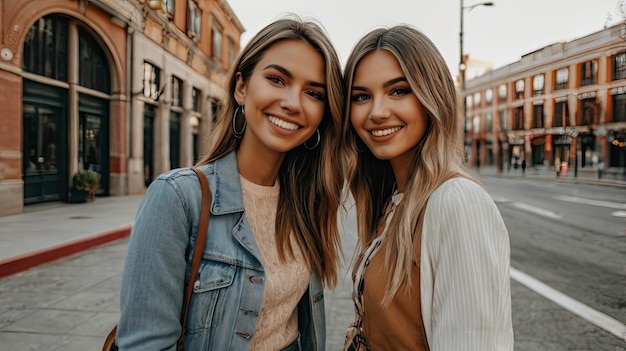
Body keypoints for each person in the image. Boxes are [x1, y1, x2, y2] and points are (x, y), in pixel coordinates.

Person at [116, 15, 345, 351]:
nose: (293, 103)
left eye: (313, 92)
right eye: (277, 79)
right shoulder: (178, 198)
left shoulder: (307, 202)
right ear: (241, 87)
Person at [342, 25, 514, 350]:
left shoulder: (457, 201)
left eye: (398, 90)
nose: (377, 112)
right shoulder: (394, 198)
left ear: (432, 97)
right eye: (362, 96)